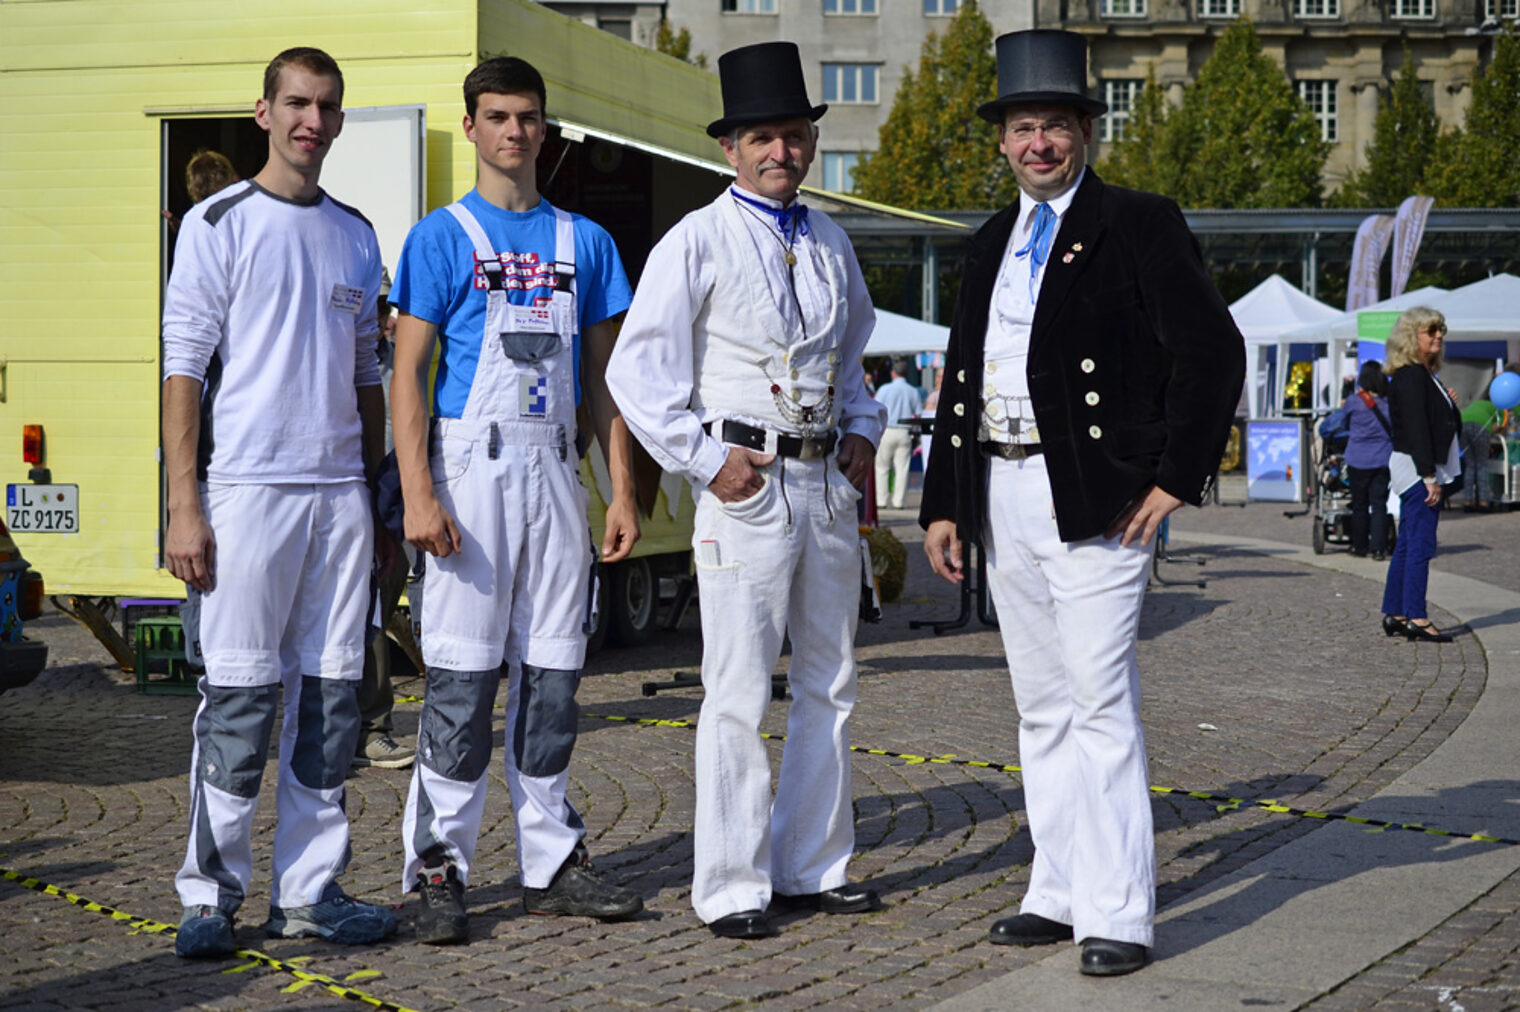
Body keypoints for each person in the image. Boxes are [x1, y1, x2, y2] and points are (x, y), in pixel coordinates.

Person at [919, 30, 1243, 977]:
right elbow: (963, 378)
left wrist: (1177, 475)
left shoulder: (1138, 222)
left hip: (1098, 498)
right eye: (1024, 128)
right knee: (1040, 706)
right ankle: (1055, 888)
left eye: (1055, 126)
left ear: (1084, 132)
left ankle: (1119, 911)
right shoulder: (989, 240)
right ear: (1003, 141)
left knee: (1100, 702)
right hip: (1002, 485)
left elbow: (1211, 352)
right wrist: (944, 499)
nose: (1039, 145)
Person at [607, 41, 886, 940]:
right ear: (730, 148)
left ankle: (814, 863)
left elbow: (854, 366)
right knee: (735, 689)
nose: (781, 152)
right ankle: (730, 883)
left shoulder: (833, 240)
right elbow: (638, 373)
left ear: (810, 142)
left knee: (830, 681)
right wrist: (701, 459)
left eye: (795, 136)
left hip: (824, 484)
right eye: (762, 137)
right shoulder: (696, 238)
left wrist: (864, 435)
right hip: (747, 484)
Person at [389, 56, 644, 945]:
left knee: (553, 681)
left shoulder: (588, 244)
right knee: (460, 682)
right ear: (470, 127)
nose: (513, 131)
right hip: (470, 471)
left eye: (528, 117)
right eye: (496, 116)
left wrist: (620, 490)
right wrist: (418, 494)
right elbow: (409, 378)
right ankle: (438, 869)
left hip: (553, 474)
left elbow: (610, 381)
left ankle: (551, 863)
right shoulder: (440, 237)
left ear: (546, 129)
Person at [161, 46, 397, 958]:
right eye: (296, 103)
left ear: (340, 120)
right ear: (263, 112)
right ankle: (210, 897)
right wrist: (186, 502)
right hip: (249, 493)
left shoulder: (356, 233)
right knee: (241, 701)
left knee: (334, 702)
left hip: (338, 498)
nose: (312, 120)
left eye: (327, 106)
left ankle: (308, 895)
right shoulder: (218, 224)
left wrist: (378, 499)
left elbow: (365, 373)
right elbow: (184, 367)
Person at [353, 268, 416, 770]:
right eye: (372, 307)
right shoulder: (337, 358)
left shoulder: (403, 362)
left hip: (390, 508)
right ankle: (353, 729)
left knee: (375, 616)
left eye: (384, 309)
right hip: (340, 504)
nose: (380, 319)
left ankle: (374, 729)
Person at [1380, 308, 1461, 643]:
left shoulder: (1419, 374)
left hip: (1413, 469)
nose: (1438, 337)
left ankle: (1397, 612)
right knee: (1420, 546)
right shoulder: (1413, 375)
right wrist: (1429, 476)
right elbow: (1416, 429)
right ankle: (1416, 615)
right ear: (1412, 336)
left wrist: (1449, 404)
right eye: (1431, 332)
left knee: (1408, 544)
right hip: (1418, 471)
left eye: (1440, 331)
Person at [1343, 361, 1394, 559]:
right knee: (1380, 504)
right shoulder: (1388, 402)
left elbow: (1343, 423)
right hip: (1382, 458)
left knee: (1359, 504)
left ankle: (1360, 546)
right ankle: (1379, 548)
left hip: (1358, 458)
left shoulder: (1354, 402)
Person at [873, 358, 924, 509]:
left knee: (882, 467)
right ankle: (898, 501)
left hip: (887, 429)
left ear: (893, 373)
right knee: (902, 468)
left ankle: (881, 500)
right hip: (904, 431)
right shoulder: (913, 391)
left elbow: (876, 408)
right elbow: (918, 413)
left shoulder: (884, 389)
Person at [1459, 383, 1500, 511]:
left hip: (1463, 426)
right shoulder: (1498, 407)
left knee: (1470, 465)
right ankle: (1483, 501)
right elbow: (1497, 426)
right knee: (1482, 465)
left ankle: (1468, 501)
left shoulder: (1477, 403)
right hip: (1480, 429)